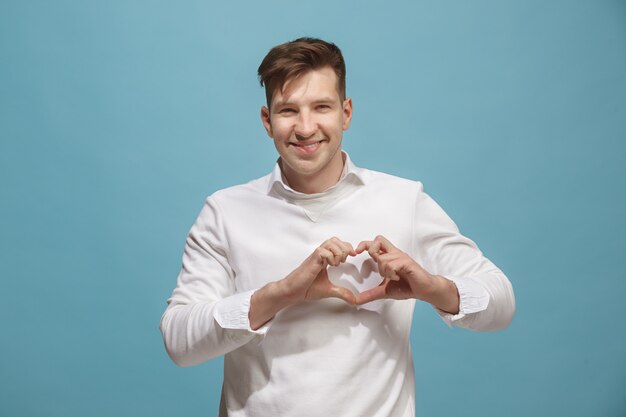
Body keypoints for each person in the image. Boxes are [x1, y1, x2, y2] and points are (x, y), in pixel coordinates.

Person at [160, 37, 515, 417]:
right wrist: (279, 294)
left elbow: (501, 303)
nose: (306, 127)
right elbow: (180, 342)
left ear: (346, 113)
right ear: (267, 121)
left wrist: (434, 288)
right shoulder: (224, 212)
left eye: (322, 107)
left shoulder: (403, 200)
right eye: (288, 110)